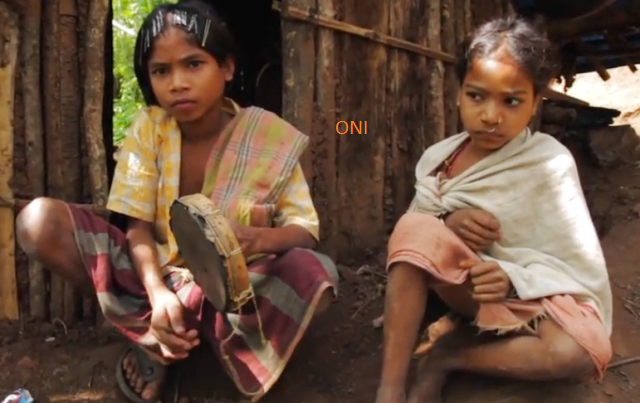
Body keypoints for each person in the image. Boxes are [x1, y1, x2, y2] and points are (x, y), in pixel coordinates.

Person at [15, 1, 339, 402]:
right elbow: (136, 228)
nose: (177, 83)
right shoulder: (149, 129)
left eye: (193, 64)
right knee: (37, 221)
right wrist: (158, 294)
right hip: (150, 279)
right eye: (161, 71)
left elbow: (304, 231)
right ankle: (160, 332)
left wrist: (254, 239)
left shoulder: (268, 135)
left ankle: (166, 345)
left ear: (227, 68)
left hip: (231, 291)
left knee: (316, 274)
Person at [374, 17, 613, 403]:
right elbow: (413, 238)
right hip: (463, 289)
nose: (490, 115)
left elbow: (572, 262)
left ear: (535, 103)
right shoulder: (439, 158)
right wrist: (448, 222)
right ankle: (390, 388)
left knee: (579, 352)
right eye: (476, 96)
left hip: (528, 298)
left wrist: (512, 279)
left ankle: (448, 358)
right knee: (413, 226)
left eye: (511, 101)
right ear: (459, 94)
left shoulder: (550, 163)